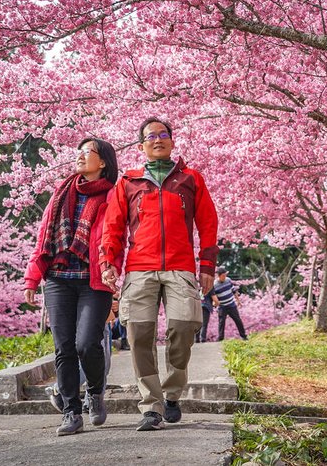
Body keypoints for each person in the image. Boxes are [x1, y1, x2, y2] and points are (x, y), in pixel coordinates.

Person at [100, 117, 218, 432]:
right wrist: (109, 262)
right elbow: (113, 226)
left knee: (184, 327)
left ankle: (172, 394)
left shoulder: (191, 178)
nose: (157, 139)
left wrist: (207, 265)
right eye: (151, 136)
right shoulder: (128, 181)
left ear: (172, 141)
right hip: (139, 268)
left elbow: (208, 223)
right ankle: (151, 406)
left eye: (163, 134)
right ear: (142, 145)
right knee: (139, 335)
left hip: (181, 267)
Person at [23, 138, 121, 436]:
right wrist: (32, 278)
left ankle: (95, 391)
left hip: (94, 280)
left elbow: (115, 237)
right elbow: (43, 236)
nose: (79, 156)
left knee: (87, 344)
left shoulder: (113, 195)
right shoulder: (62, 192)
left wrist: (112, 268)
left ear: (102, 162)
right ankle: (71, 411)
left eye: (87, 152)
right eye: (78, 151)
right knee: (63, 347)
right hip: (58, 278)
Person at [213, 266, 248, 341]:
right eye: (223, 276)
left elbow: (234, 290)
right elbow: (213, 296)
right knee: (221, 322)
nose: (224, 277)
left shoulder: (228, 280)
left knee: (238, 320)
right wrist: (215, 303)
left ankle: (244, 336)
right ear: (219, 276)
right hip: (222, 306)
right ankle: (220, 338)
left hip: (231, 304)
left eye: (225, 275)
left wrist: (238, 301)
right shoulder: (215, 285)